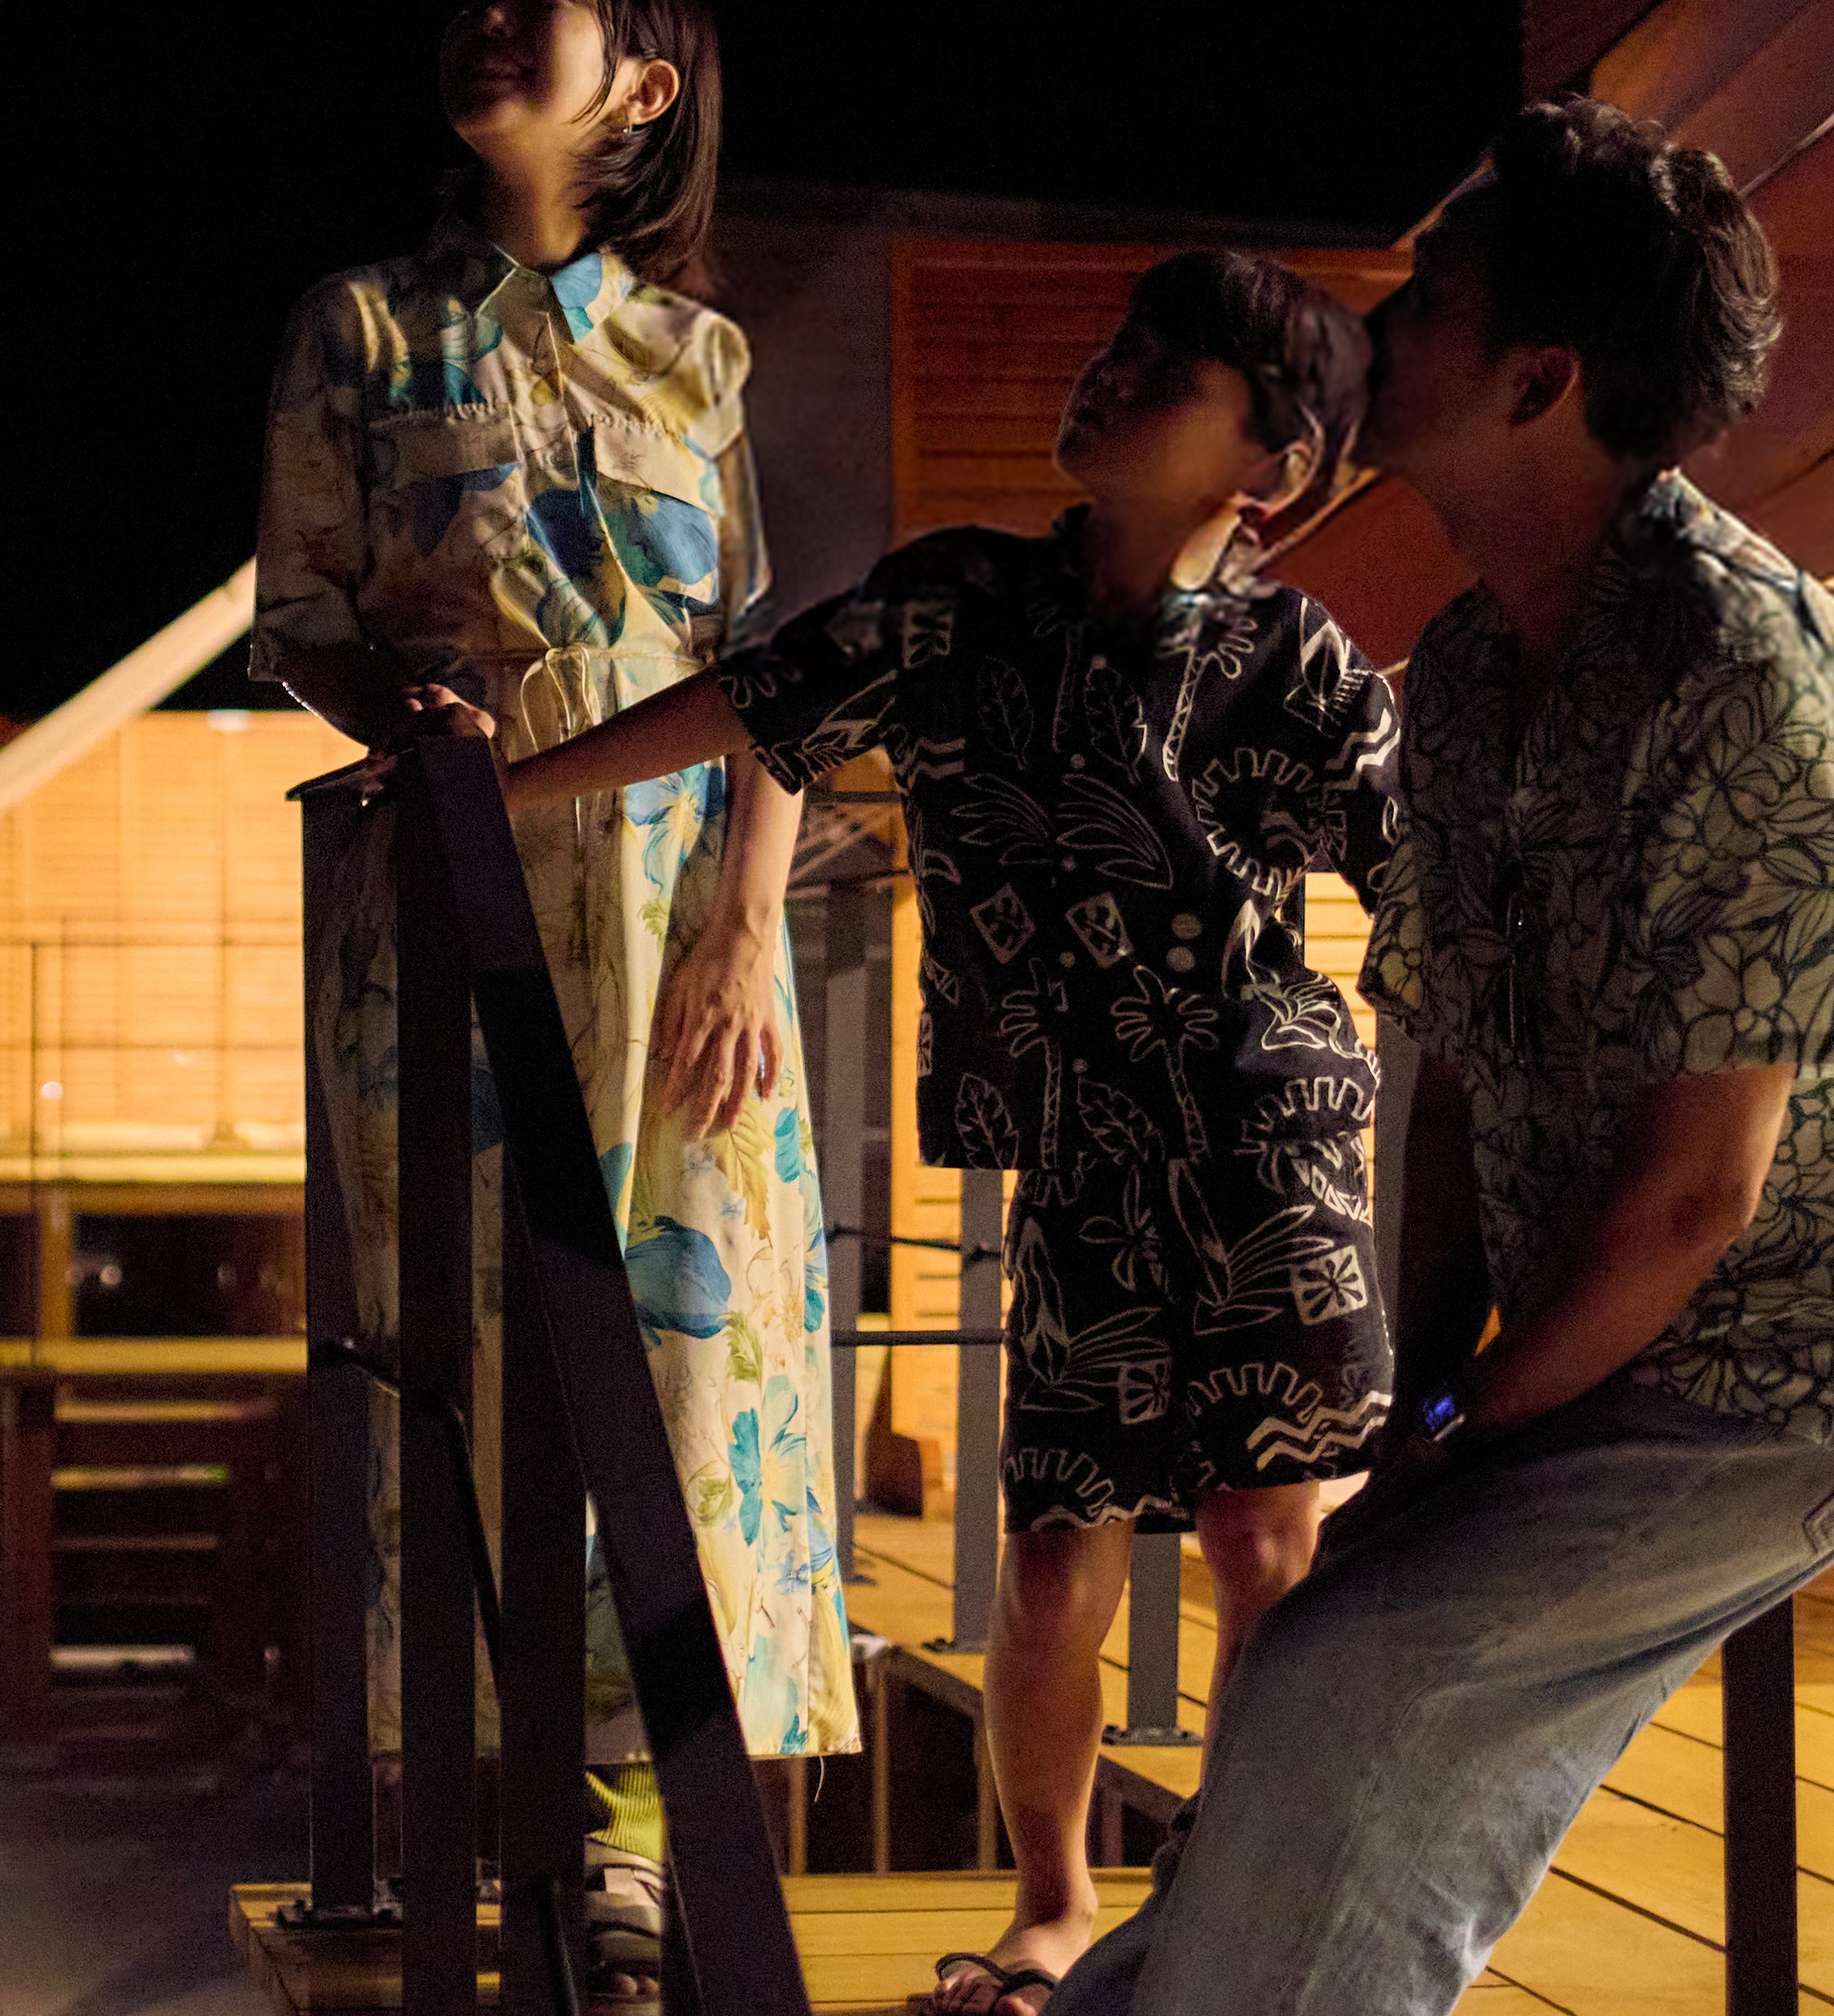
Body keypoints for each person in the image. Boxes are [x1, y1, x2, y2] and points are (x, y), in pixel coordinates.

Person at [1044, 98, 1834, 2016]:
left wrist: (1468, 1433)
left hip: (1822, 1343)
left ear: (1538, 382)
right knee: (1329, 1656)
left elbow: (1700, 1193)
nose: (1379, 321)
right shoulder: (1481, 669)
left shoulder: (1750, 676)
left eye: (1430, 296)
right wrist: (1408, 1393)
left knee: (1370, 1675)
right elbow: (1449, 1064)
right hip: (1627, 1320)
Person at [507, 250, 1403, 2016]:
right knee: (1057, 1540)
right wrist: (495, 784)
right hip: (1080, 1138)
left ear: (1269, 465)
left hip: (1270, 1135)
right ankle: (1053, 1907)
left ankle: (1231, 1903)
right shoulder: (958, 608)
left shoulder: (1298, 662)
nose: (1109, 372)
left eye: (1168, 371)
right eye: (1123, 342)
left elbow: (1435, 895)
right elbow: (758, 704)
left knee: (1265, 1536)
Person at [255, 0, 856, 2004]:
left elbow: (777, 667)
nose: (487, 23)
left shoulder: (705, 360)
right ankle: (565, 1839)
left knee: (698, 1368)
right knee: (489, 1353)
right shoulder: (362, 327)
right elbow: (302, 612)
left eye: (545, 12)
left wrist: (750, 925)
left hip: (683, 900)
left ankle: (698, 1837)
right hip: (459, 895)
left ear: (646, 94)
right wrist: (398, 729)